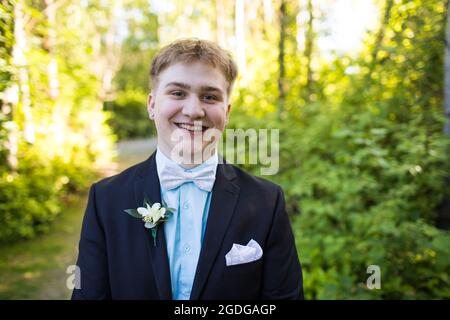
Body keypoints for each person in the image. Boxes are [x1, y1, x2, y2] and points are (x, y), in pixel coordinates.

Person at [71, 38, 303, 300]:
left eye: (209, 96)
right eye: (178, 93)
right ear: (152, 104)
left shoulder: (266, 202)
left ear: (226, 112)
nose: (194, 111)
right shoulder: (106, 199)